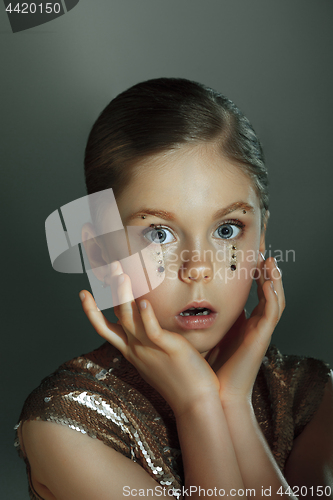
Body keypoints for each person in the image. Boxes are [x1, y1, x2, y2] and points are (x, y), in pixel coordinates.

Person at [15, 78, 333, 500]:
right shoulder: (63, 427)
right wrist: (198, 405)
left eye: (226, 229)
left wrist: (234, 405)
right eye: (158, 235)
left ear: (260, 240)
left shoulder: (313, 395)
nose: (198, 268)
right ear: (99, 251)